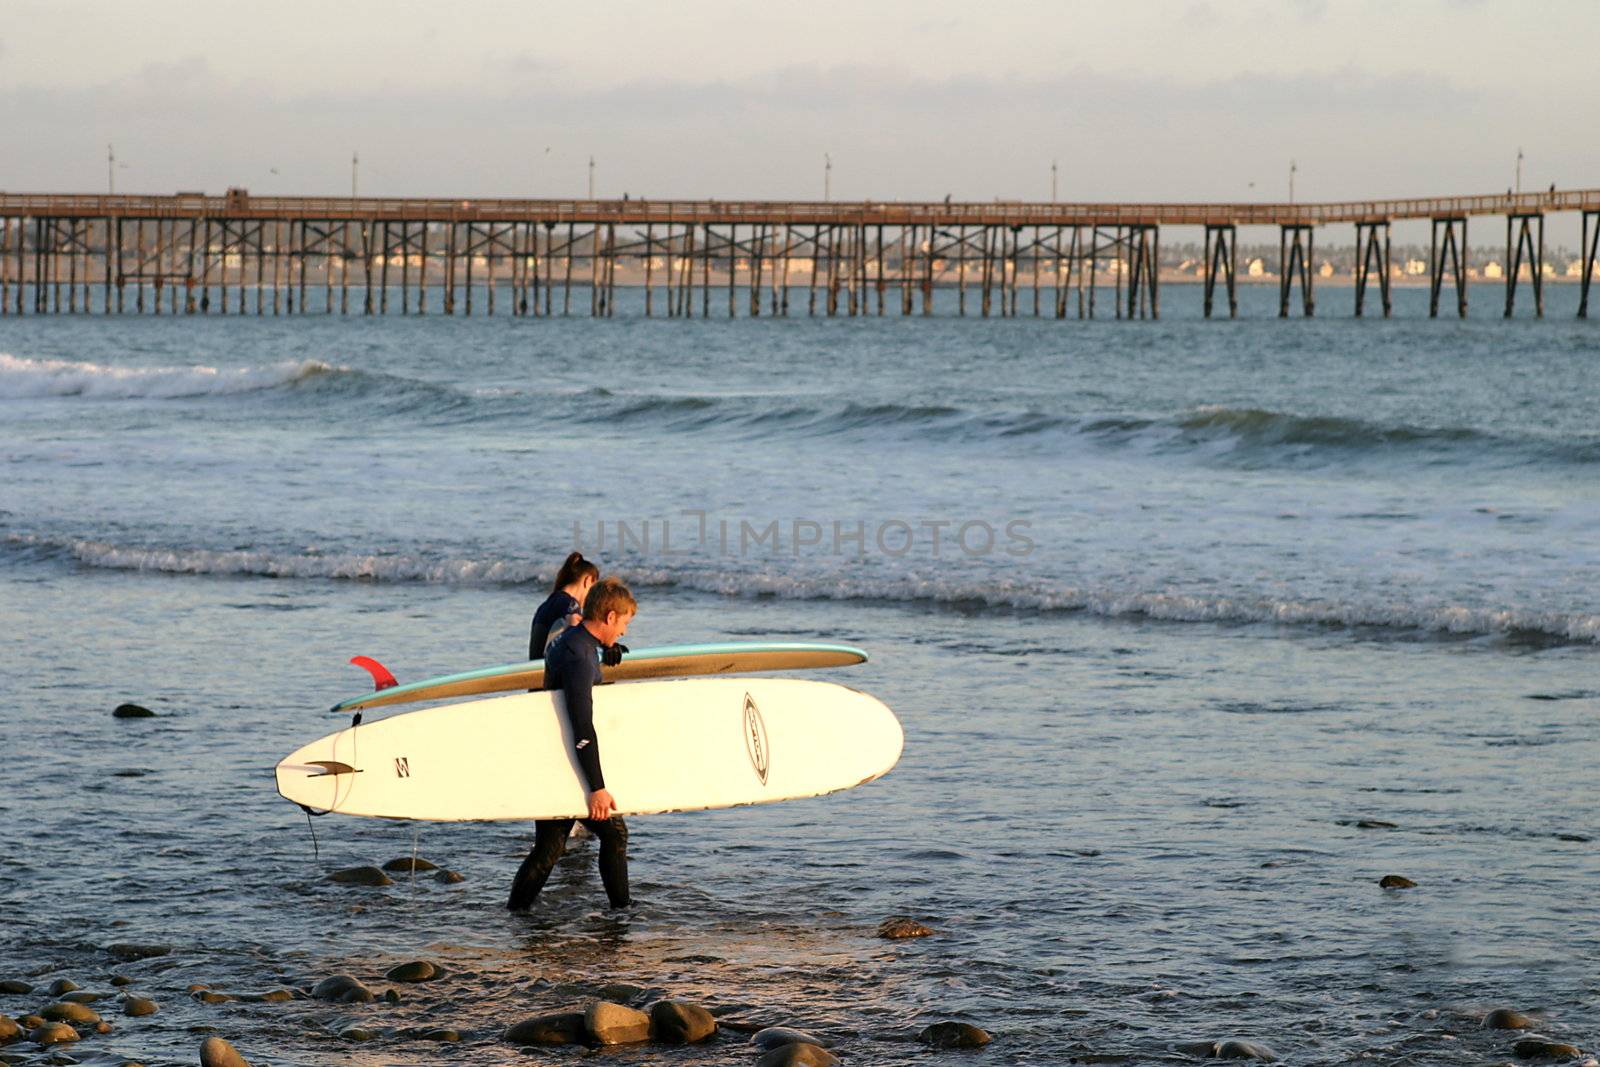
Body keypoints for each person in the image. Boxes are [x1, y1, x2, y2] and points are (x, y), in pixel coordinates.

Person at [508, 577, 636, 911]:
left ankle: (516, 913)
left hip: (554, 756)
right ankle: (622, 914)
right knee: (614, 834)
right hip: (569, 762)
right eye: (623, 624)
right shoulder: (580, 657)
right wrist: (596, 787)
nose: (624, 632)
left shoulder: (570, 641)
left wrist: (605, 652)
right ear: (609, 617)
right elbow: (582, 725)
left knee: (549, 849)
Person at [529, 552, 598, 660]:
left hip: (537, 672)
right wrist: (606, 646)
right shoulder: (571, 605)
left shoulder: (546, 605)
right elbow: (581, 636)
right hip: (553, 672)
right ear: (587, 580)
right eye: (593, 587)